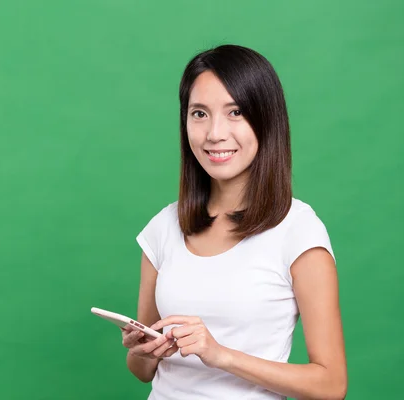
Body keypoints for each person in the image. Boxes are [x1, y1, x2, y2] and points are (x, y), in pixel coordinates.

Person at [120, 45, 347, 400]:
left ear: (265, 119)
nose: (214, 133)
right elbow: (142, 372)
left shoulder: (298, 231)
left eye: (236, 112)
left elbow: (330, 385)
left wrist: (219, 354)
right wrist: (141, 349)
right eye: (199, 113)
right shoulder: (164, 227)